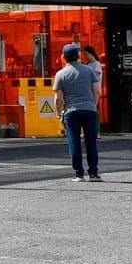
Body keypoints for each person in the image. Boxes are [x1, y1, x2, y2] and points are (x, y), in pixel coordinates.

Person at [53, 42, 100, 182]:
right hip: (89, 110)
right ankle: (93, 173)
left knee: (74, 142)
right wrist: (93, 105)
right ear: (78, 56)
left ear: (64, 57)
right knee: (91, 142)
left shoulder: (61, 74)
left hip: (71, 112)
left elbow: (58, 98)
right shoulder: (88, 70)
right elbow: (96, 91)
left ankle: (79, 174)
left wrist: (59, 113)